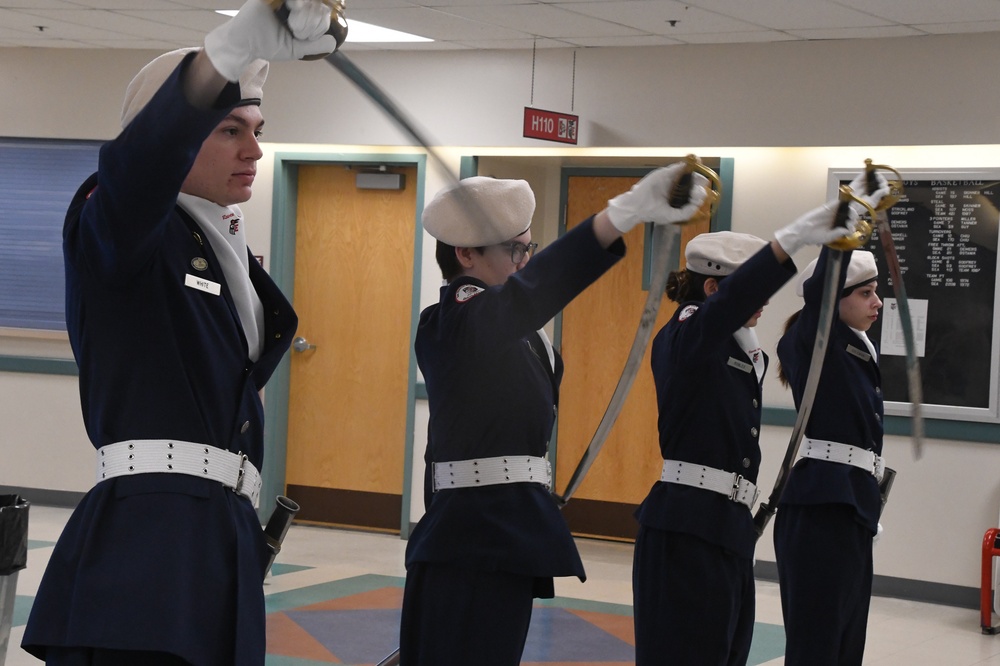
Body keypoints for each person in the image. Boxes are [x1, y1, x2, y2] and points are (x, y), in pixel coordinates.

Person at [21, 2, 337, 664]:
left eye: (257, 130)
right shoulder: (122, 226)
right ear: (167, 140)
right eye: (228, 130)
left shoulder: (219, 245)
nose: (253, 150)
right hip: (147, 546)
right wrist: (221, 55)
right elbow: (136, 171)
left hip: (216, 534)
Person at [400, 165, 710, 665]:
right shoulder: (452, 322)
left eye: (529, 248)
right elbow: (527, 297)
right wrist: (621, 214)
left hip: (509, 533)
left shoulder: (522, 335)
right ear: (465, 254)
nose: (525, 260)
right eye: (515, 250)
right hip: (467, 543)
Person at [632, 186, 881, 666]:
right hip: (686, 526)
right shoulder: (688, 333)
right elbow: (720, 314)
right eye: (753, 291)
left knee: (727, 652)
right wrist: (802, 236)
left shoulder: (735, 346)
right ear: (712, 290)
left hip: (726, 525)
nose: (764, 303)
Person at [773, 245, 886, 666]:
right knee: (817, 642)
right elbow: (821, 290)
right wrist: (839, 232)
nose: (876, 303)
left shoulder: (858, 349)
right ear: (834, 299)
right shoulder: (815, 341)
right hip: (821, 506)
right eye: (865, 293)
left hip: (852, 501)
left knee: (847, 637)